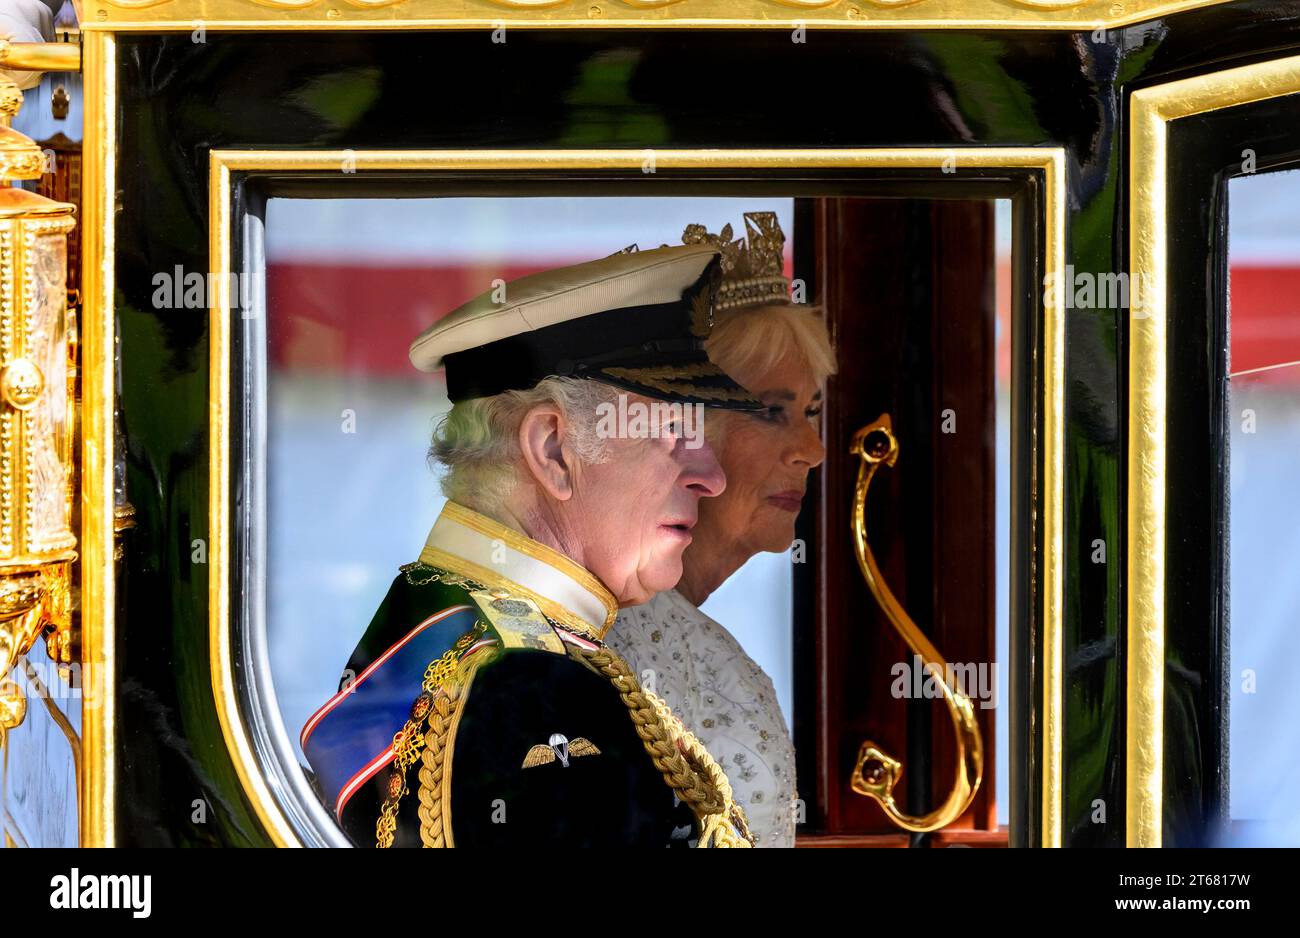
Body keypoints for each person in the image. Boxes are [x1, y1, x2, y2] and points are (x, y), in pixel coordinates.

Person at [300, 242, 760, 847]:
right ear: (552, 450)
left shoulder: (440, 614)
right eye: (673, 430)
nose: (713, 477)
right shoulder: (532, 689)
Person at [609, 213, 836, 847]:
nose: (812, 449)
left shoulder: (708, 649)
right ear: (681, 431)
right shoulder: (600, 636)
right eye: (772, 412)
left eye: (813, 412)